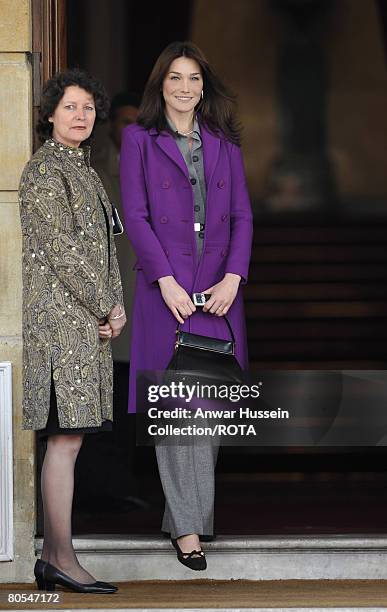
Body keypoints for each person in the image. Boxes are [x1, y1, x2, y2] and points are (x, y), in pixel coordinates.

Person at [120, 41, 253, 570]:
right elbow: (136, 214)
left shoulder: (225, 144)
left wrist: (234, 278)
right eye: (174, 77)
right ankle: (190, 531)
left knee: (208, 419)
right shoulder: (139, 140)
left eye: (193, 78)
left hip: (218, 295)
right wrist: (166, 281)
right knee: (178, 417)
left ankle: (191, 519)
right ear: (161, 85)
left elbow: (242, 215)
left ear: (204, 87)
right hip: (167, 294)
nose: (184, 87)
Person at [19, 68, 126, 593]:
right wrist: (107, 303)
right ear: (50, 114)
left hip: (83, 325)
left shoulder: (82, 168)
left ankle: (57, 557)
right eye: (70, 108)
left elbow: (103, 249)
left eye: (87, 108)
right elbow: (62, 251)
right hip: (59, 328)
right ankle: (59, 556)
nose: (81, 116)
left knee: (72, 439)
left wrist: (114, 308)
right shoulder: (45, 171)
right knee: (63, 439)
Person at [92, 92, 141, 361]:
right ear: (111, 126)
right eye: (125, 122)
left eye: (138, 123)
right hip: (113, 275)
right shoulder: (95, 169)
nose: (132, 130)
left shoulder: (158, 167)